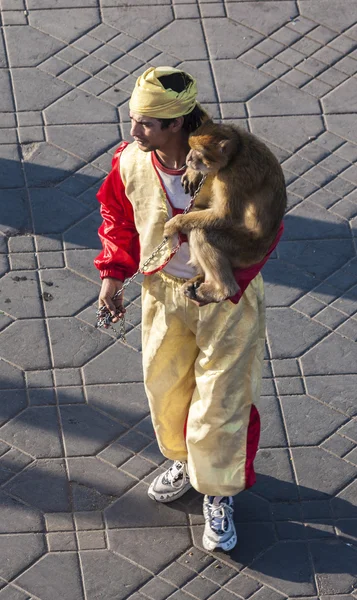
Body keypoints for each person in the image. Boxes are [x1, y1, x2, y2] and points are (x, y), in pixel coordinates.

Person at [95, 66, 283, 552]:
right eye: (134, 119)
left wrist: (229, 282)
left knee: (223, 399)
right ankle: (186, 461)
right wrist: (113, 275)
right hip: (162, 294)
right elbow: (118, 217)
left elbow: (268, 226)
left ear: (176, 123)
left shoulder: (234, 160)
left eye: (144, 124)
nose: (133, 132)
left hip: (227, 299)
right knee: (166, 387)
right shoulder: (130, 160)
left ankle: (217, 492)